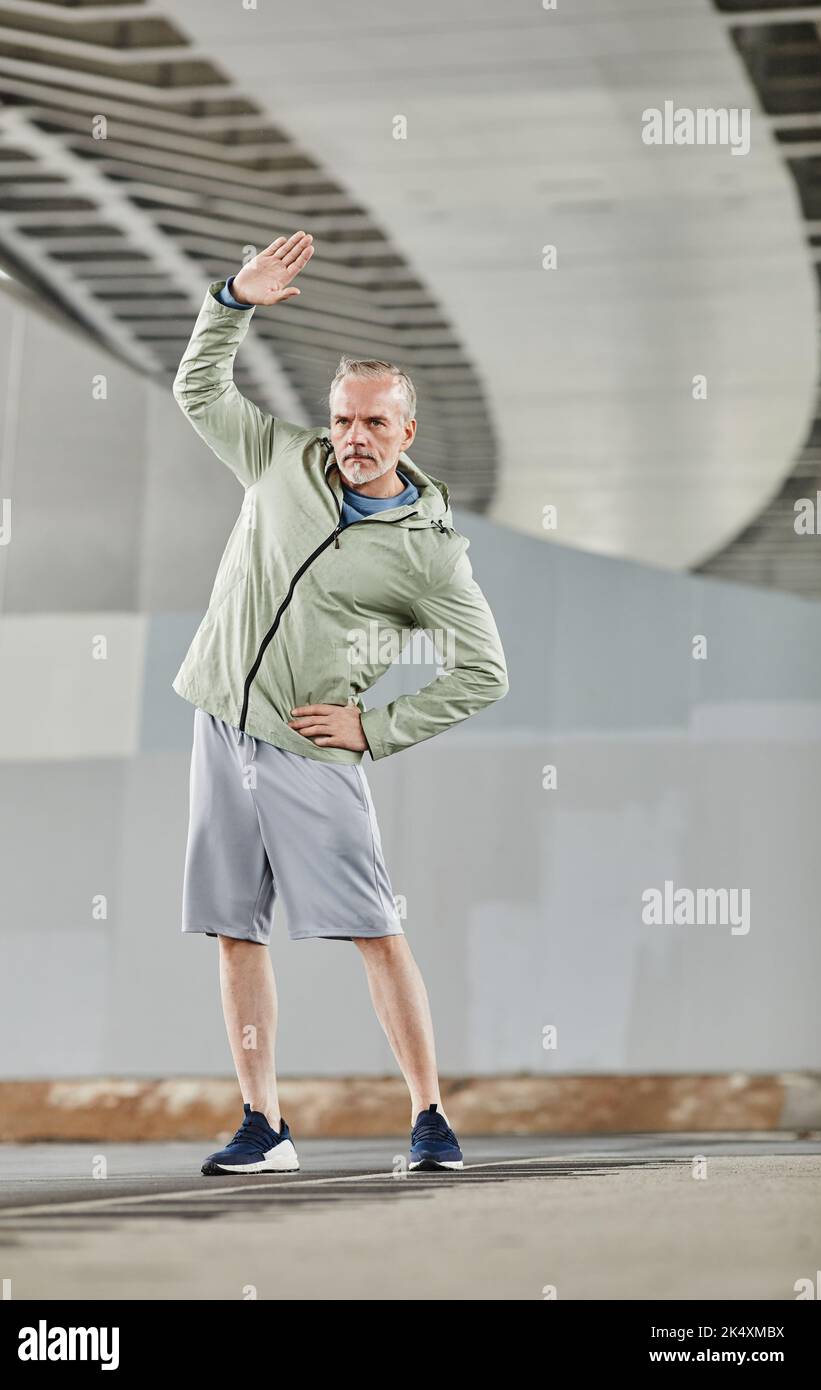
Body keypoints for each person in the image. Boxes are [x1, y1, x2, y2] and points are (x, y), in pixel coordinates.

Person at [172, 230, 509, 1176]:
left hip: (314, 750)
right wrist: (233, 300)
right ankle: (262, 1123)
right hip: (219, 719)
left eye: (373, 424)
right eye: (343, 420)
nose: (353, 438)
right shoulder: (282, 464)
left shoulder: (428, 551)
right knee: (234, 929)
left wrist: (377, 727)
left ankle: (430, 1118)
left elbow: (484, 671)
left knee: (374, 929)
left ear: (407, 433)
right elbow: (199, 390)